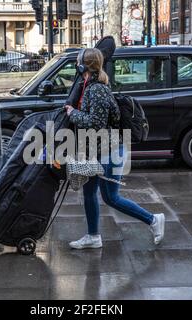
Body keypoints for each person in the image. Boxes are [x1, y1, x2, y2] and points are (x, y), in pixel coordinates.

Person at [64, 48, 165, 250]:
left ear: (85, 65)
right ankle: (93, 236)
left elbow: (96, 123)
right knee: (89, 193)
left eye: (78, 61)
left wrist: (72, 113)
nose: (76, 64)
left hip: (110, 150)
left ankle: (154, 220)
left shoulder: (97, 90)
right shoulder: (88, 86)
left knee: (111, 197)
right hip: (95, 149)